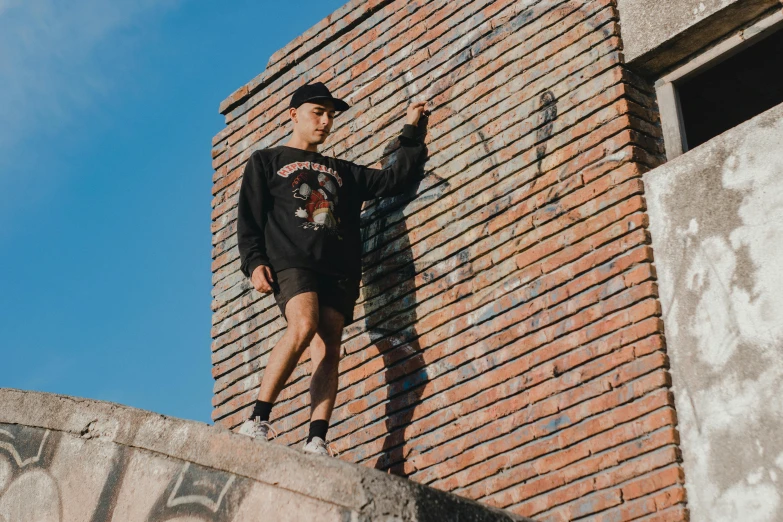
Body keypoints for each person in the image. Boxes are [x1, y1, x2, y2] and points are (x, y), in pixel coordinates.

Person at [235, 81, 428, 456]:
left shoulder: (343, 171)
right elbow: (249, 218)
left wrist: (412, 128)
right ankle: (257, 418)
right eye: (317, 113)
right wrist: (254, 263)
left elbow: (392, 180)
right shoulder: (266, 161)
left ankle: (317, 438)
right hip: (293, 261)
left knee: (329, 345)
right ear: (294, 115)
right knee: (303, 324)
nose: (325, 121)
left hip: (339, 268)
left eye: (330, 115)